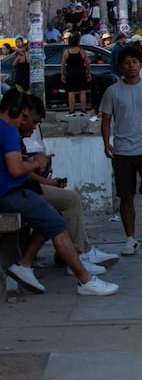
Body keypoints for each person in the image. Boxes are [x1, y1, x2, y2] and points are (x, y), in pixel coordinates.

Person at [0, 90, 118, 296]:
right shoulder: (8, 130)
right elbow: (16, 169)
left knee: (52, 218)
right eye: (24, 118)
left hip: (14, 191)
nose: (23, 122)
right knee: (58, 226)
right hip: (12, 194)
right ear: (18, 110)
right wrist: (36, 163)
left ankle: (24, 264)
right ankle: (85, 279)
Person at [100, 45, 142, 256]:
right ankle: (130, 238)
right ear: (120, 66)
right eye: (127, 63)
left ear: (140, 64)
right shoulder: (113, 92)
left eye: (134, 62)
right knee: (126, 196)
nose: (131, 66)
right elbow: (106, 120)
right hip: (122, 151)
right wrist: (106, 143)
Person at [60, 33, 92, 115]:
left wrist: (62, 74)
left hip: (70, 73)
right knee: (82, 91)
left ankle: (72, 110)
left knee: (71, 92)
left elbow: (63, 64)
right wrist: (89, 73)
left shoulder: (66, 52)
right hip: (81, 73)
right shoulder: (82, 51)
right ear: (77, 42)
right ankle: (83, 110)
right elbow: (87, 63)